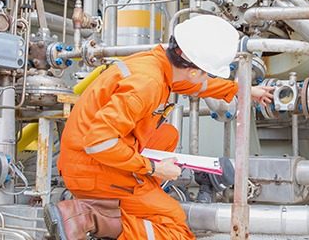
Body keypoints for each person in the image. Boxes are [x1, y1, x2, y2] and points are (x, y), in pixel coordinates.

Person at [45, 15, 274, 240]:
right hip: (92, 167)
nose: (204, 78)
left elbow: (193, 83)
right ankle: (90, 218)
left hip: (90, 156)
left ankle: (136, 198)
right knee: (175, 228)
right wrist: (154, 168)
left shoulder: (157, 63)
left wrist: (242, 89)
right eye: (206, 72)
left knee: (167, 135)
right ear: (194, 70)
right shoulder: (147, 85)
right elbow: (98, 142)